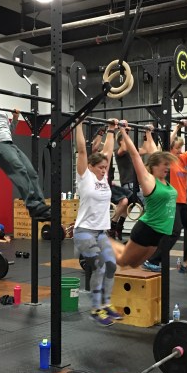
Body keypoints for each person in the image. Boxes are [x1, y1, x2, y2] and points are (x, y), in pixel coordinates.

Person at [73, 119, 123, 326]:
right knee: (100, 268)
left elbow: (108, 152)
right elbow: (81, 150)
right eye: (100, 167)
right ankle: (95, 309)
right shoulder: (85, 177)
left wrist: (112, 129)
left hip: (101, 232)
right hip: (84, 232)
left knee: (111, 266)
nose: (104, 170)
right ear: (91, 167)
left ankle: (106, 304)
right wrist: (78, 124)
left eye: (105, 167)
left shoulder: (103, 178)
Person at [109, 124, 178, 269]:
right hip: (147, 230)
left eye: (168, 164)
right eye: (165, 164)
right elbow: (135, 155)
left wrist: (148, 133)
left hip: (159, 233)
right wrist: (123, 131)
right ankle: (102, 240)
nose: (168, 167)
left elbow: (154, 152)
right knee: (122, 261)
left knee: (134, 264)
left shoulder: (164, 181)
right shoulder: (149, 181)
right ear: (155, 166)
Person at [0, 86, 50, 221]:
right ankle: (33, 206)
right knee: (19, 169)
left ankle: (41, 207)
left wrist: (15, 118)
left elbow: (10, 131)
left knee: (31, 172)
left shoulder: (2, 111)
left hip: (10, 144)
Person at [142, 120, 187, 275]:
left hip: (183, 203)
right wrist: (177, 127)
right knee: (175, 232)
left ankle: (186, 263)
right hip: (171, 202)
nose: (180, 150)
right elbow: (166, 144)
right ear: (171, 148)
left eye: (181, 148)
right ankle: (152, 261)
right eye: (177, 148)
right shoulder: (167, 161)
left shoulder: (182, 159)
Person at [112, 124, 158, 240]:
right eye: (126, 140)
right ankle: (143, 231)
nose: (129, 141)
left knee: (128, 207)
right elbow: (125, 148)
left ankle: (117, 227)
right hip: (129, 184)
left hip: (135, 184)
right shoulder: (119, 152)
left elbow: (146, 150)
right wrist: (124, 132)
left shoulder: (131, 151)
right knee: (147, 204)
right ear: (121, 141)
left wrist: (146, 134)